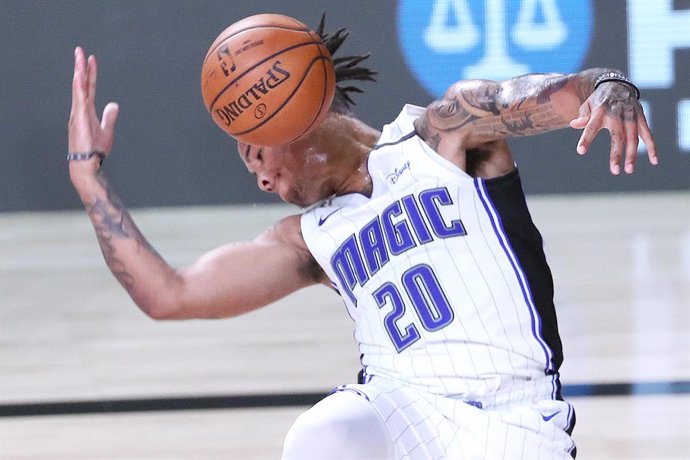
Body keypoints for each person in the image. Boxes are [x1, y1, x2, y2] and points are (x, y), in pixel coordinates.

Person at [67, 15, 657, 460]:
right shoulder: (308, 239)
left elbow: (554, 95)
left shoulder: (444, 136)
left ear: (296, 113)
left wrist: (609, 87)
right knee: (324, 434)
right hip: (401, 410)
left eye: (257, 154)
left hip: (516, 419)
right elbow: (170, 295)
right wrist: (88, 178)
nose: (264, 180)